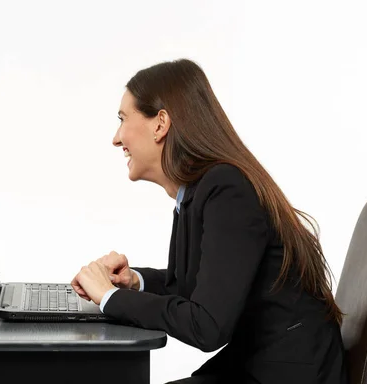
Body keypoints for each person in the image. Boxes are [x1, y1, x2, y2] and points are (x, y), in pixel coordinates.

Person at [70, 58, 349, 384]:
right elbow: (200, 289)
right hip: (263, 367)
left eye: (122, 119)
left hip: (286, 375)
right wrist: (134, 282)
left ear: (160, 124)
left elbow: (207, 326)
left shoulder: (226, 189)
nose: (116, 138)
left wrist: (110, 298)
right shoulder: (201, 189)